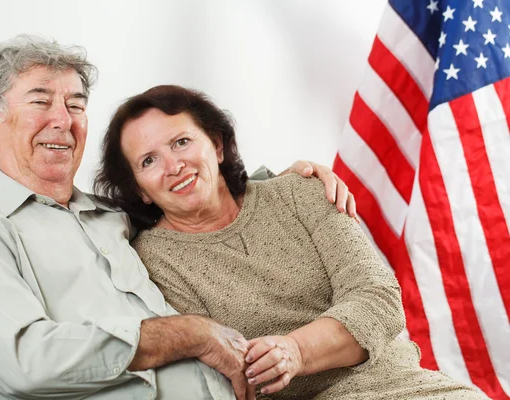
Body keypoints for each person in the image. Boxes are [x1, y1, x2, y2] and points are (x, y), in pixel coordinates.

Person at [0, 35, 357, 400]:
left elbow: (193, 201)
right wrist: (191, 334)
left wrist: (281, 182)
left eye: (75, 105)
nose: (63, 120)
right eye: (40, 101)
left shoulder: (111, 216)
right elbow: (26, 360)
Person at [95, 84, 489, 400]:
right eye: (148, 161)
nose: (173, 165)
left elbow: (379, 297)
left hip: (406, 385)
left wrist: (296, 351)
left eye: (181, 142)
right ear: (140, 190)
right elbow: (226, 370)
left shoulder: (302, 192)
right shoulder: (155, 260)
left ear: (215, 145)